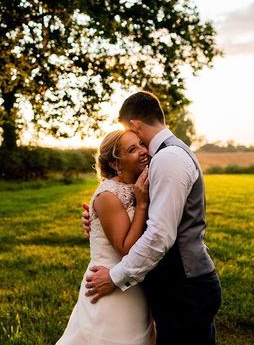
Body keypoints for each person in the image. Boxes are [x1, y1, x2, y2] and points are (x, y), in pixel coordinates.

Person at [83, 91, 222, 345]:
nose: (140, 149)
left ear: (134, 124)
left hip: (185, 289)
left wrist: (115, 276)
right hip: (175, 288)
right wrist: (99, 220)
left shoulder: (169, 158)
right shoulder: (164, 156)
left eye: (135, 139)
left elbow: (160, 235)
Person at [57, 129, 155, 345]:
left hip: (133, 280)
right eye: (132, 149)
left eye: (141, 143)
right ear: (115, 164)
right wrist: (141, 204)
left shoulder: (141, 183)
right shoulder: (108, 195)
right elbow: (125, 248)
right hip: (108, 282)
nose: (142, 151)